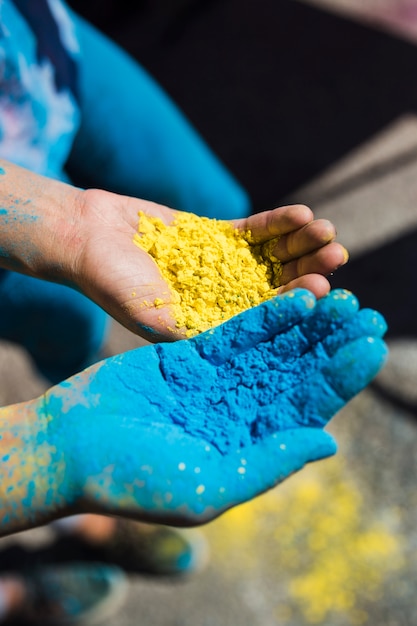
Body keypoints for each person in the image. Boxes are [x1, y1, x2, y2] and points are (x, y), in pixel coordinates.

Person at [0, 0, 378, 623]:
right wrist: (43, 456)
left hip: (38, 47)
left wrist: (66, 221)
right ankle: (71, 542)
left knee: (212, 201)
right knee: (66, 323)